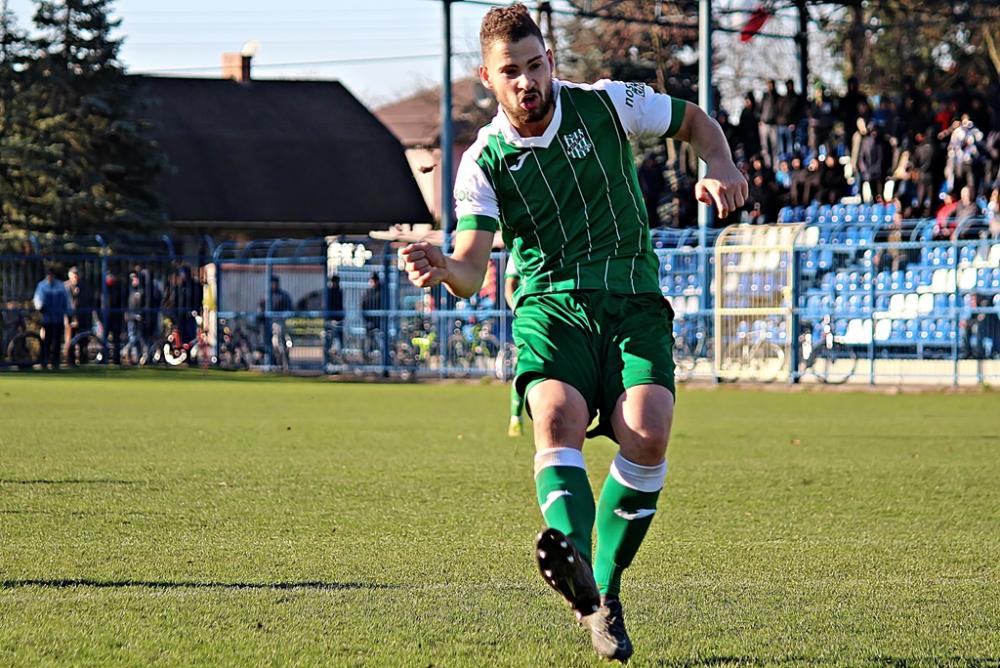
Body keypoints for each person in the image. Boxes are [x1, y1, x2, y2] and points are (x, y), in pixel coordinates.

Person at [400, 5, 747, 663]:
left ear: (551, 62)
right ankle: (579, 575)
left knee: (649, 429)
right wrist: (442, 266)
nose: (527, 81)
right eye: (511, 71)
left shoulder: (609, 104)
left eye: (536, 65)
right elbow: (471, 270)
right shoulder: (483, 161)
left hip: (632, 298)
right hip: (551, 305)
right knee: (555, 416)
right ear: (488, 79)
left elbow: (695, 121)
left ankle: (602, 593)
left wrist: (722, 164)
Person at [33, 266, 72, 370]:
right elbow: (37, 299)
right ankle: (45, 360)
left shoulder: (60, 286)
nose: (50, 277)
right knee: (47, 340)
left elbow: (67, 300)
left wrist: (69, 313)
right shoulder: (42, 286)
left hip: (58, 317)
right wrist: (40, 307)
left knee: (57, 340)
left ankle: (55, 362)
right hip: (47, 318)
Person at [503, 258, 524, 437]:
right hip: (531, 320)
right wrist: (518, 309)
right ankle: (515, 417)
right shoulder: (517, 250)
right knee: (524, 367)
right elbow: (509, 284)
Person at [64, 266, 94, 366]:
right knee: (70, 342)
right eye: (73, 275)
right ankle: (70, 362)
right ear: (70, 276)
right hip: (70, 318)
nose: (75, 277)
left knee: (83, 342)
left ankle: (83, 361)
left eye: (77, 275)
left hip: (83, 318)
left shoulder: (85, 287)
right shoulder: (65, 287)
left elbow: (89, 302)